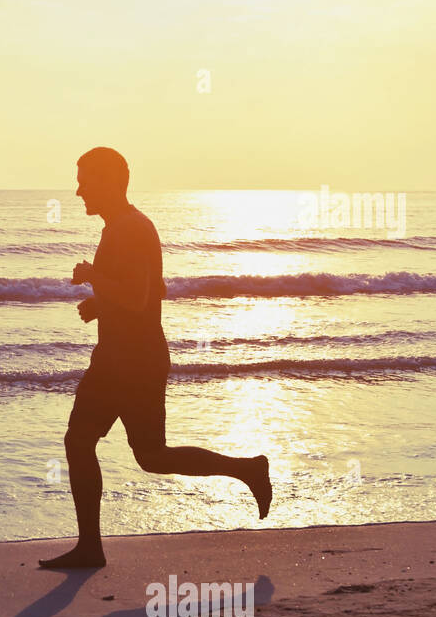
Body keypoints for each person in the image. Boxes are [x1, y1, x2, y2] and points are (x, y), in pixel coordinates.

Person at [39, 147, 272, 569]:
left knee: (89, 443)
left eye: (85, 181)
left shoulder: (129, 228)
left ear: (110, 182)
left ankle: (91, 548)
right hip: (127, 358)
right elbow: (154, 291)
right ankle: (248, 470)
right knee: (148, 455)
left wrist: (94, 277)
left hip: (129, 362)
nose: (78, 191)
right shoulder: (126, 227)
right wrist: (100, 304)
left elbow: (138, 295)